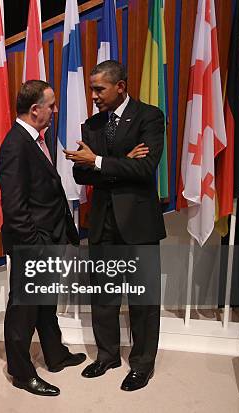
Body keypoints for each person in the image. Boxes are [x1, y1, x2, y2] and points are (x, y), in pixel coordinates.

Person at [64, 60, 166, 391]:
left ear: (120, 86)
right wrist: (120, 162)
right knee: (104, 297)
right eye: (92, 89)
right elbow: (79, 173)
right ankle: (107, 355)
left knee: (143, 301)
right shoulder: (92, 124)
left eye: (99, 89)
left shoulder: (149, 116)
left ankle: (142, 365)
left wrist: (98, 161)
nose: (93, 95)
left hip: (139, 225)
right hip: (102, 223)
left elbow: (145, 169)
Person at [0, 80, 85, 397]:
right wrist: (36, 247)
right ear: (36, 110)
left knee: (46, 304)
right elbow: (15, 208)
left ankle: (55, 355)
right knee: (24, 309)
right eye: (51, 104)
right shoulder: (15, 145)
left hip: (48, 240)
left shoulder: (33, 140)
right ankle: (21, 373)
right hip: (33, 246)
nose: (55, 109)